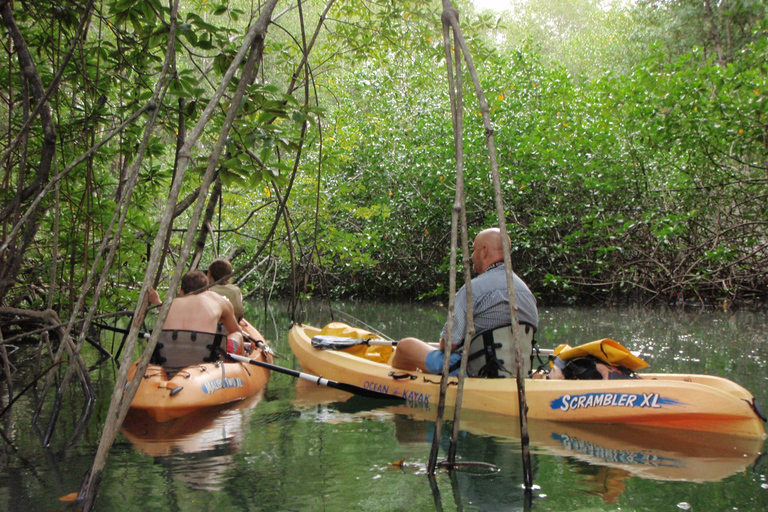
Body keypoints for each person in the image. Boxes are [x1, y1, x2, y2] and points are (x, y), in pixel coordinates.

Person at [391, 227, 538, 375]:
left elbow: (448, 344)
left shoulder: (473, 289)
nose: (472, 256)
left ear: (484, 251)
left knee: (405, 346)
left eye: (474, 250)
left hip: (472, 372)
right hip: (516, 374)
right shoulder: (526, 293)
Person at [148, 270, 246, 374]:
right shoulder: (218, 300)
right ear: (208, 289)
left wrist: (157, 301)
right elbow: (235, 330)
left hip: (169, 363)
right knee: (237, 335)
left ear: (181, 292)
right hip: (206, 365)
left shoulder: (170, 304)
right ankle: (243, 370)